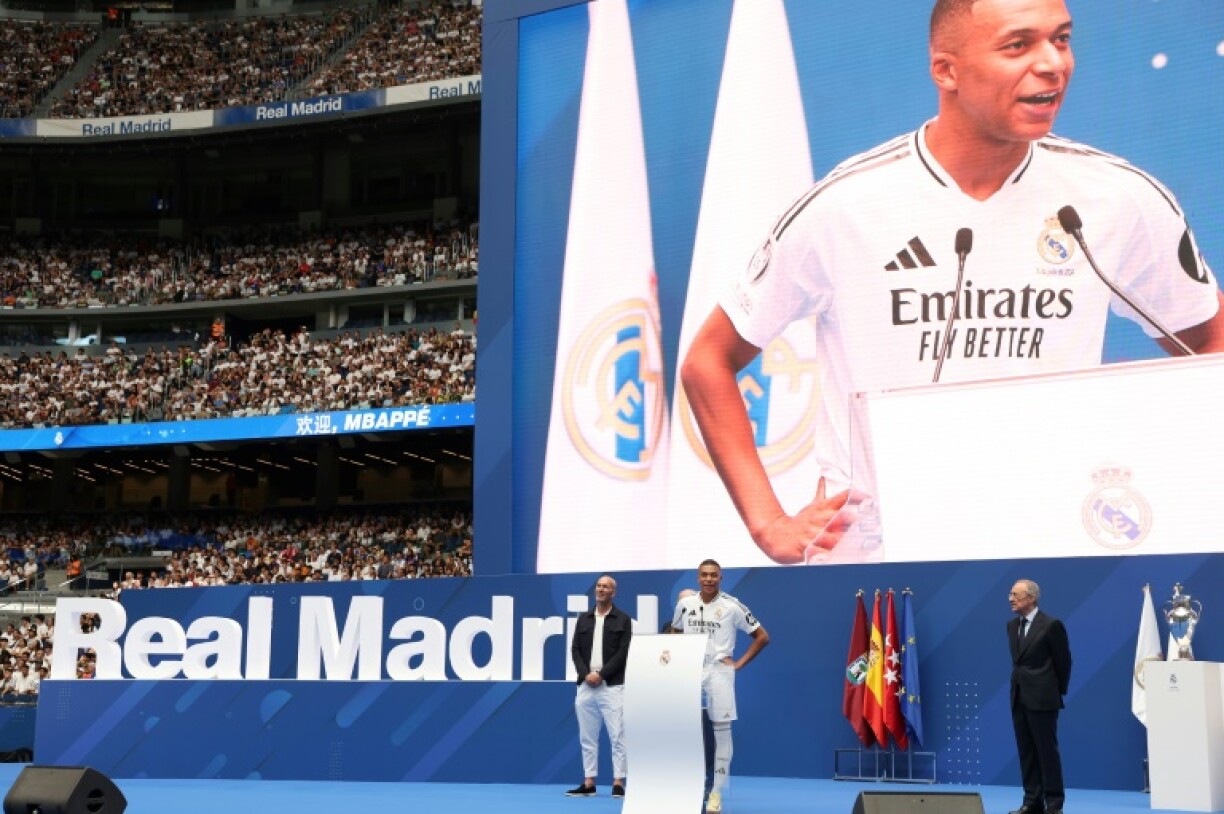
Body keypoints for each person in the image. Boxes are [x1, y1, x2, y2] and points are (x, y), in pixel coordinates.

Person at [679, 0, 1224, 566]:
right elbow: (708, 360)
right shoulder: (847, 205)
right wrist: (768, 523)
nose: (1052, 63)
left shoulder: (1117, 198)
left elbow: (1212, 345)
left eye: (1061, 40)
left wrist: (1168, 479)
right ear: (947, 70)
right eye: (1018, 45)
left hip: (1057, 544)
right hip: (880, 563)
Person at [669, 560, 770, 814]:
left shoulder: (732, 606)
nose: (709, 579)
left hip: (719, 671)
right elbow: (675, 633)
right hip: (690, 671)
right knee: (684, 728)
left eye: (714, 575)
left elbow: (762, 636)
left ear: (721, 578)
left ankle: (715, 793)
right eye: (704, 575)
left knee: (721, 730)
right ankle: (687, 787)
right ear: (697, 578)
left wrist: (738, 664)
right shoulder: (684, 605)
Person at [1008, 579, 1072, 814]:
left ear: (1031, 598)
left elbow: (1063, 662)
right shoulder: (1011, 626)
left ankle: (1053, 804)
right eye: (1011, 594)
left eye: (1016, 594)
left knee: (1047, 753)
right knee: (1026, 752)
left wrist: (1055, 692)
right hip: (1019, 697)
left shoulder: (1051, 625)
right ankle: (1031, 802)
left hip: (1043, 699)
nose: (1010, 598)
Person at [566, 574, 632, 798]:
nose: (601, 589)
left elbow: (624, 653)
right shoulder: (583, 619)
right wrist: (586, 675)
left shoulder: (623, 620)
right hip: (585, 685)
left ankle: (618, 782)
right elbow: (575, 649)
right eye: (599, 586)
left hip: (612, 685)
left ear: (613, 592)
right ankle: (589, 781)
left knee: (618, 735)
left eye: (606, 587)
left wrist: (601, 675)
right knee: (587, 736)